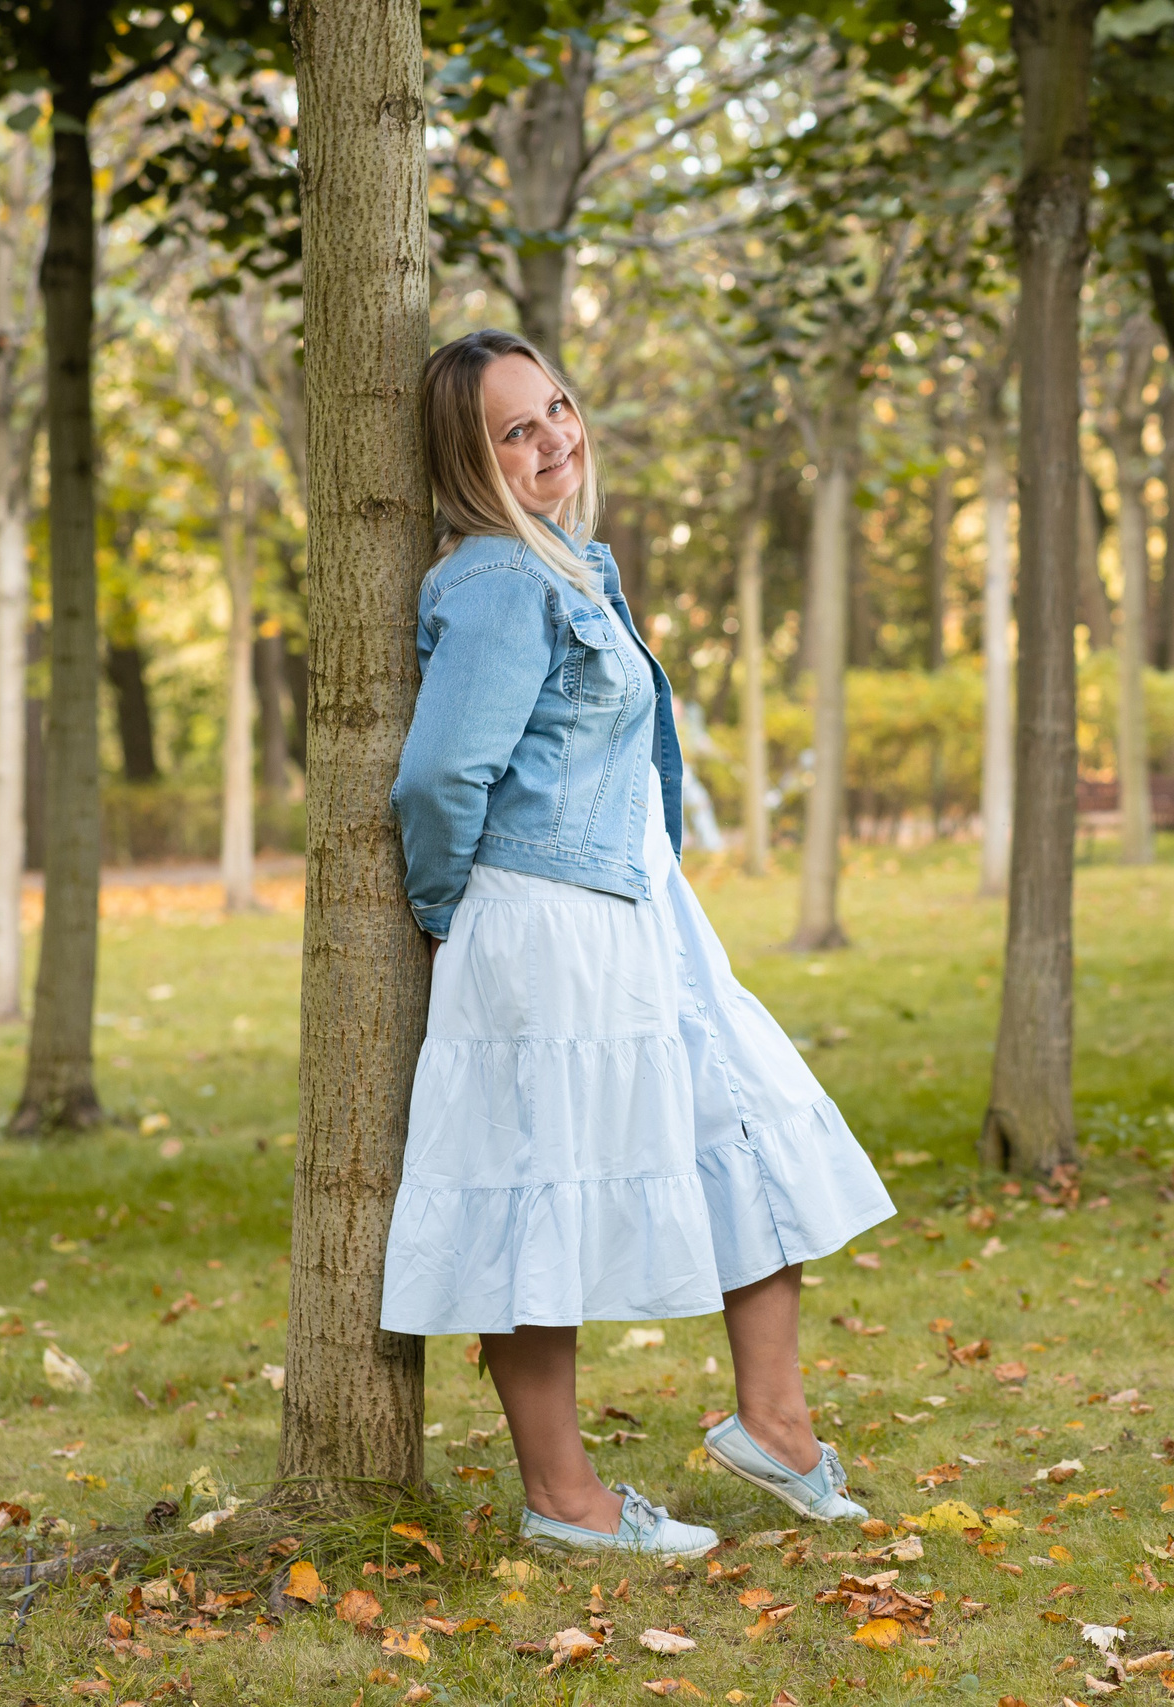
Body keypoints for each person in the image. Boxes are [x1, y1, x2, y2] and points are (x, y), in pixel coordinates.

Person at [385, 329, 896, 1554]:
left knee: (754, 1122)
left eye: (555, 406)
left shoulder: (560, 565)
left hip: (642, 908)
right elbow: (443, 775)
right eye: (516, 429)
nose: (554, 436)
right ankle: (566, 1502)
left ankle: (774, 1425)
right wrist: (457, 912)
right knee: (533, 1188)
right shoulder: (501, 579)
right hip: (548, 920)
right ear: (471, 459)